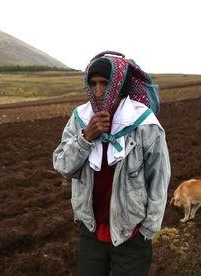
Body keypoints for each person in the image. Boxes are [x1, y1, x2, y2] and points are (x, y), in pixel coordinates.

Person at [53, 51, 171, 276]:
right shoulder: (80, 118)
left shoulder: (144, 124)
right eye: (93, 84)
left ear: (119, 86)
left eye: (105, 84)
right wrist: (86, 136)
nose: (98, 92)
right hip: (91, 231)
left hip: (131, 234)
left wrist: (148, 229)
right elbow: (62, 165)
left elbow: (159, 178)